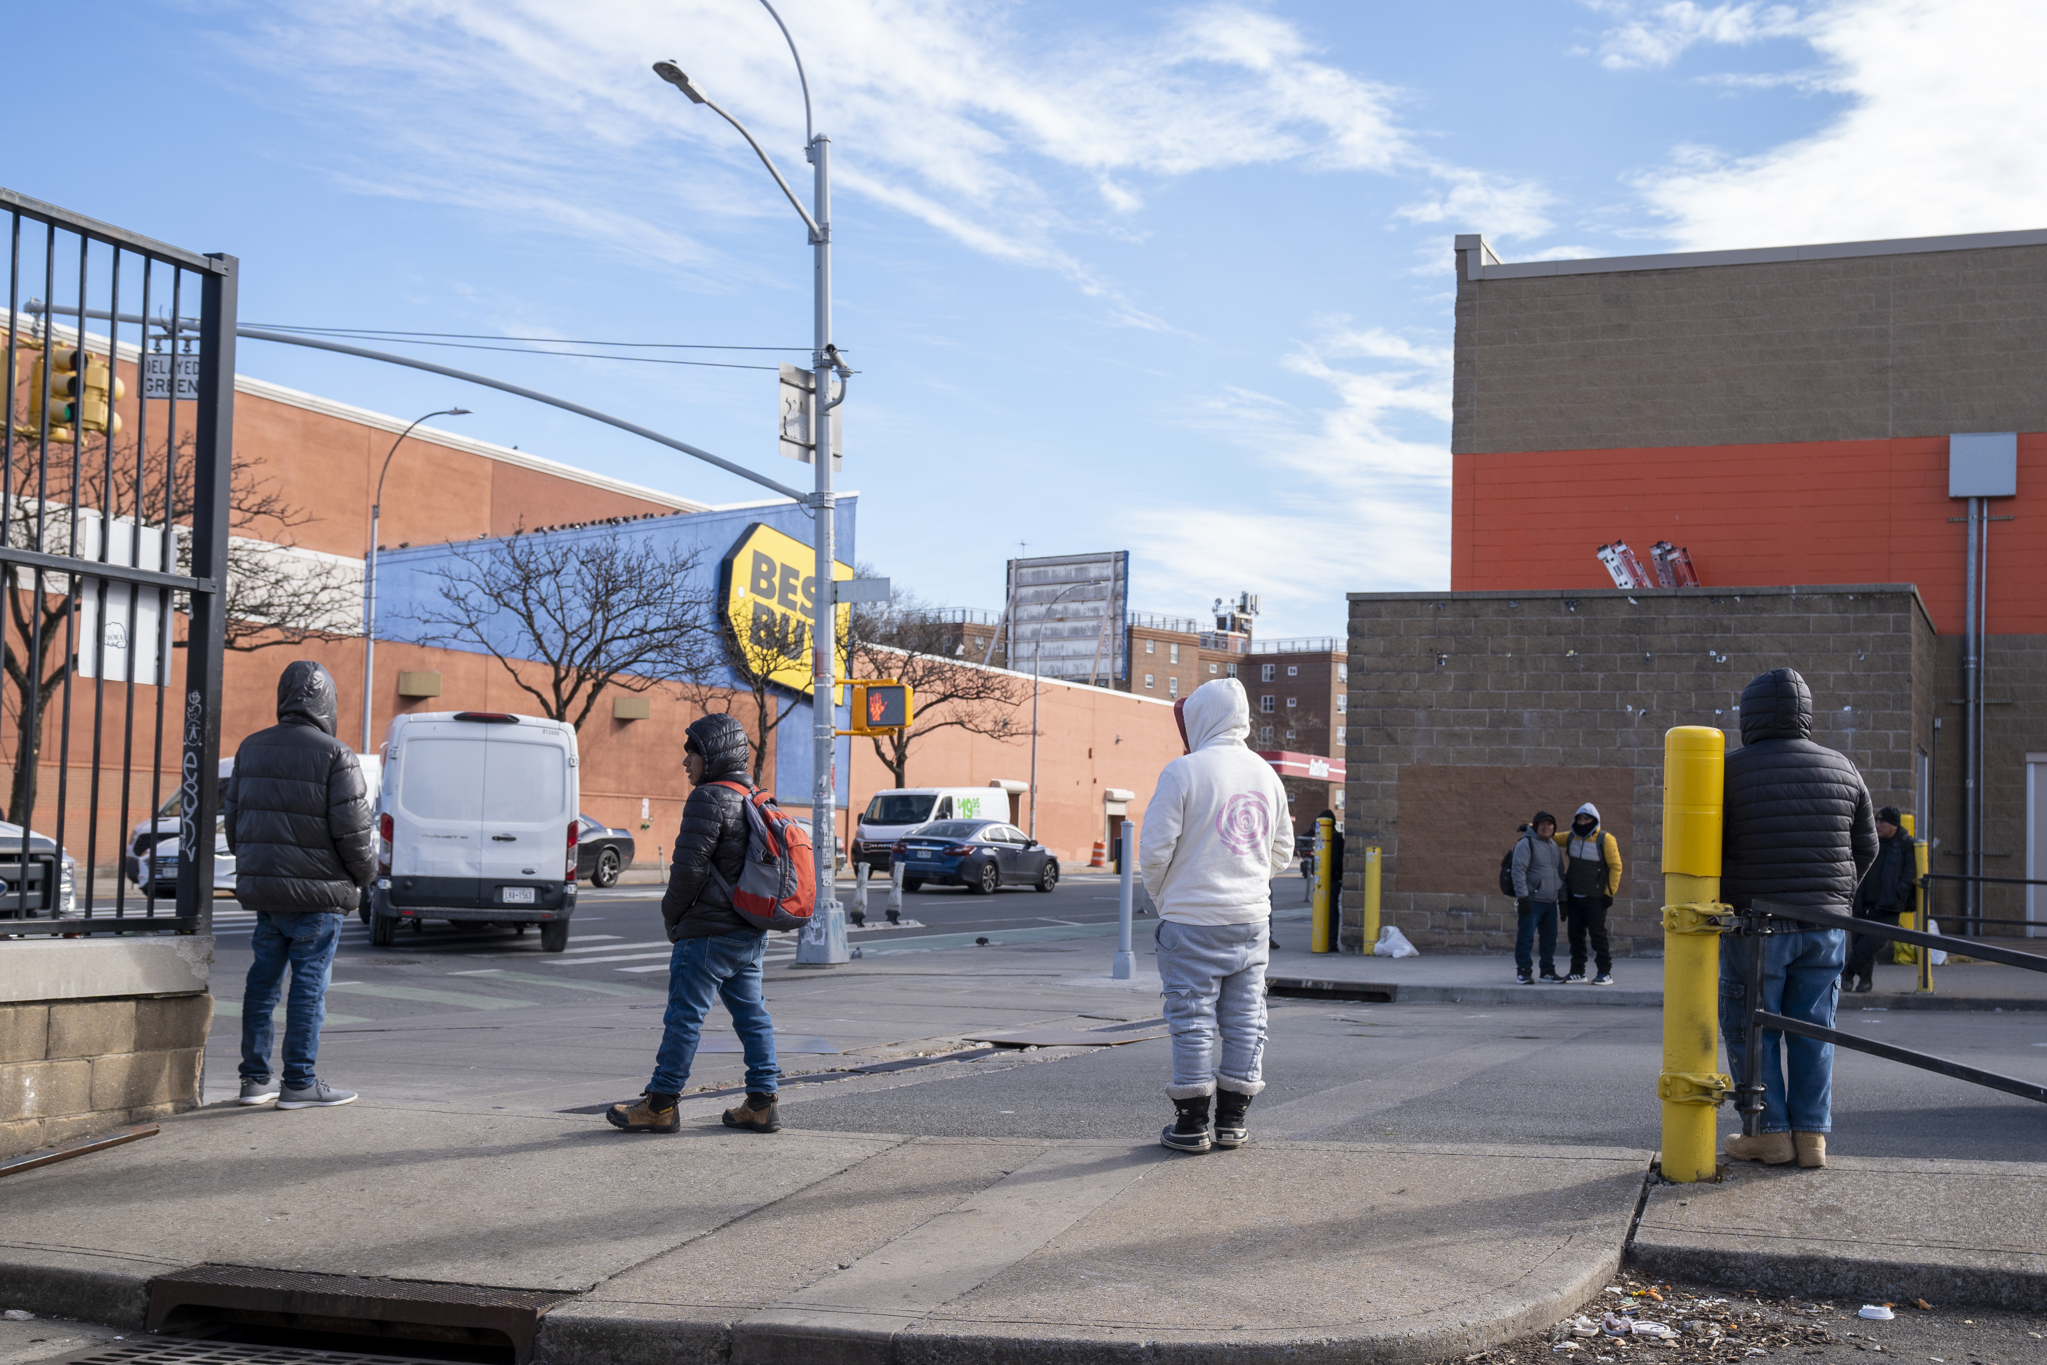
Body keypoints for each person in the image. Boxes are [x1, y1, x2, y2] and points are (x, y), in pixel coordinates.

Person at [1720, 667, 1877, 1170]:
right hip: (1826, 927)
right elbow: (1867, 847)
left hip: (1757, 925)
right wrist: (1835, 897)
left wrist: (1730, 897)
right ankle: (1812, 1138)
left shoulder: (1729, 770)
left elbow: (1708, 852)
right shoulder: (1843, 768)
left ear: (1751, 716)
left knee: (1753, 1027)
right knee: (1814, 1028)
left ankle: (1769, 1132)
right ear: (1803, 714)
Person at [1139, 679, 1293, 1154]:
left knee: (1192, 1018)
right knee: (1248, 1018)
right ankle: (1232, 1120)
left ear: (1202, 717)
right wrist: (1246, 878)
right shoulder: (1267, 775)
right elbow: (1282, 852)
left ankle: (1191, 1125)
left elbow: (1153, 850)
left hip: (1190, 919)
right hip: (1250, 920)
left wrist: (1166, 896)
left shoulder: (1183, 772)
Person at [609, 714, 782, 1135]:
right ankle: (762, 1102)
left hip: (707, 932)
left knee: (684, 1018)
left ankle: (661, 1104)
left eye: (693, 752)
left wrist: (673, 917)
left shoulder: (708, 798)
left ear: (714, 756)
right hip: (748, 931)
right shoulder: (755, 797)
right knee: (753, 1016)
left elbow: (687, 871)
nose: (685, 761)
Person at [226, 661, 376, 1109]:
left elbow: (234, 824)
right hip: (318, 894)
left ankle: (254, 1080)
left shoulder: (249, 749)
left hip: (266, 892)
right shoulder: (336, 754)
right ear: (326, 701)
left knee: (262, 983)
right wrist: (363, 876)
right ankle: (299, 1082)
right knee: (309, 985)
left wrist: (259, 864)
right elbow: (353, 832)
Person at [1844, 806, 1914, 993]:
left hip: (1888, 906)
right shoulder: (1871, 842)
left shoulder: (1904, 844)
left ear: (1895, 826)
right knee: (1860, 944)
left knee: (1871, 943)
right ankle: (1865, 982)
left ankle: (1847, 973)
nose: (1878, 825)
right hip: (1862, 902)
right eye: (1877, 821)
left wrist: (1900, 892)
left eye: (1883, 822)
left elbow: (1909, 874)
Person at [1556, 803, 1623, 984]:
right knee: (1575, 936)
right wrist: (1531, 827)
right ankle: (1578, 971)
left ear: (1594, 820)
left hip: (1595, 898)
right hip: (1574, 896)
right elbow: (1549, 835)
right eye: (1580, 818)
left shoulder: (1605, 839)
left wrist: (1609, 893)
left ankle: (1604, 972)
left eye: (1587, 819)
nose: (1583, 822)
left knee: (1598, 936)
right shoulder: (1570, 837)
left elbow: (1616, 867)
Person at [1510, 812, 1566, 984]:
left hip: (1550, 902)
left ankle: (1547, 971)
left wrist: (1562, 900)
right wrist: (1523, 897)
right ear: (1535, 826)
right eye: (1542, 824)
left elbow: (1560, 874)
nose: (1546, 827)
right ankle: (1524, 972)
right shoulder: (1526, 844)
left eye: (1550, 824)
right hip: (1532, 901)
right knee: (1526, 937)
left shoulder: (1554, 847)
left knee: (1550, 939)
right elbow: (1518, 871)